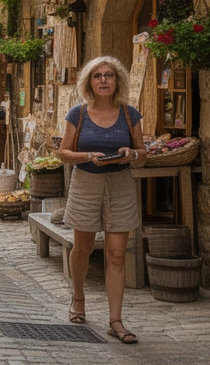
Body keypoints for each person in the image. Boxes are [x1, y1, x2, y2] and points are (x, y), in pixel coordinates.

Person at [56, 56, 146, 344]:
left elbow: (143, 153)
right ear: (89, 83)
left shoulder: (131, 115)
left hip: (120, 184)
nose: (104, 80)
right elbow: (63, 152)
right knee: (82, 249)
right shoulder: (77, 114)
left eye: (109, 75)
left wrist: (132, 154)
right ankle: (78, 298)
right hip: (86, 183)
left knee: (117, 253)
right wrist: (87, 156)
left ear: (117, 80)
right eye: (97, 76)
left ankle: (116, 320)